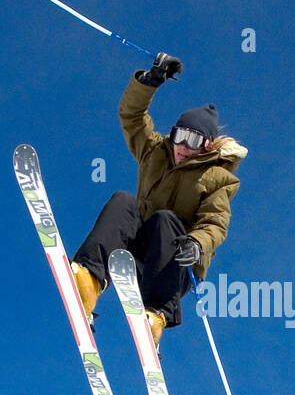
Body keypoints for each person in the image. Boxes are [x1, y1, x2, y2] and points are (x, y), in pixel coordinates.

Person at [70, 53, 248, 347]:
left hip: (173, 267)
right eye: (179, 136)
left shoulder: (218, 177)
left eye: (192, 141)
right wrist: (149, 81)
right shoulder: (156, 152)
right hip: (138, 253)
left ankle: (156, 316)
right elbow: (132, 117)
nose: (181, 147)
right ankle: (88, 280)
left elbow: (216, 222)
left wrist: (197, 243)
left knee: (166, 219)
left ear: (206, 146)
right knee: (124, 201)